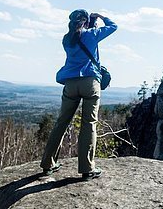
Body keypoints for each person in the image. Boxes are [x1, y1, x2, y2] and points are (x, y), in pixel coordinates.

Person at [40, 9, 117, 179]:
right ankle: (87, 168)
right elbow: (113, 26)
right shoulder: (91, 34)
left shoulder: (67, 39)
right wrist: (101, 16)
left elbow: (78, 37)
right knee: (89, 124)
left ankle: (48, 164)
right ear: (86, 22)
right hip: (90, 82)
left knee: (61, 122)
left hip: (70, 84)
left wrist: (89, 23)